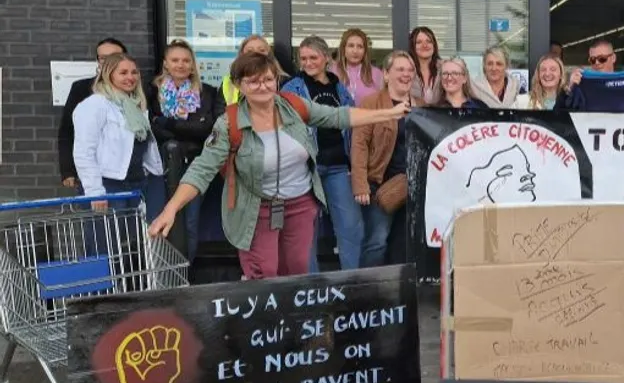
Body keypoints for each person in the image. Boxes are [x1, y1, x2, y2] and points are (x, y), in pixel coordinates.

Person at [147, 53, 409, 279]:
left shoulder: (293, 106)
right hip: (256, 208)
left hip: (300, 204)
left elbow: (338, 116)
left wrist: (389, 113)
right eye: (253, 81)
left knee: (297, 269)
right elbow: (202, 169)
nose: (263, 86)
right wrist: (171, 209)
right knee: (264, 273)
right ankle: (264, 329)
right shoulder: (230, 123)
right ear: (239, 84)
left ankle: (295, 330)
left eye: (268, 79)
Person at [282, 36, 364, 272]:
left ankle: (352, 283)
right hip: (307, 167)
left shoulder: (340, 88)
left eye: (313, 57)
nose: (308, 62)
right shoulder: (292, 89)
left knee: (351, 226)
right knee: (306, 231)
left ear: (326, 58)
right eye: (304, 58)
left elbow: (350, 125)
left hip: (338, 166)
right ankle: (311, 287)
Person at [73, 54, 164, 253]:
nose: (130, 77)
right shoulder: (96, 104)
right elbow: (84, 151)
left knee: (130, 249)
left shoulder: (135, 105)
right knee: (103, 248)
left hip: (136, 184)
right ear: (108, 75)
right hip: (108, 186)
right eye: (123, 73)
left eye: (134, 72)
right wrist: (95, 191)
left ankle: (125, 286)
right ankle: (103, 286)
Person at [148, 39, 225, 259]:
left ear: (192, 65)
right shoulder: (153, 91)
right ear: (166, 63)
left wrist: (168, 123)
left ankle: (185, 273)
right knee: (159, 218)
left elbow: (206, 129)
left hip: (194, 163)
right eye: (175, 60)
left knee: (190, 221)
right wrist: (186, 127)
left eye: (186, 61)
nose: (180, 65)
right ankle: (160, 273)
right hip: (161, 166)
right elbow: (152, 128)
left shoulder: (207, 92)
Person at [351, 51, 424, 267]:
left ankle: (396, 290)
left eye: (410, 70)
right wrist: (360, 185)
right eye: (400, 69)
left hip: (411, 186)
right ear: (386, 74)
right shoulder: (371, 102)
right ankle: (369, 290)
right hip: (378, 184)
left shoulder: (420, 104)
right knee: (377, 241)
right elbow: (359, 144)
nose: (406, 74)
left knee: (403, 242)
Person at [59, 37, 128, 190]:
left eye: (114, 57)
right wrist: (67, 170)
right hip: (94, 169)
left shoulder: (134, 88)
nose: (108, 62)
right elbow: (67, 131)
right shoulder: (82, 88)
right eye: (103, 58)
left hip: (129, 171)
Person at [564, 39, 624, 112]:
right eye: (592, 60)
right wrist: (571, 88)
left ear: (613, 58)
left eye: (602, 58)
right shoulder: (583, 82)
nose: (597, 63)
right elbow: (564, 118)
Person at [219, 35, 277, 105]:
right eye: (250, 51)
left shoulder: (283, 80)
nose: (256, 53)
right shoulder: (229, 81)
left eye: (261, 50)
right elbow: (220, 110)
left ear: (269, 54)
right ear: (241, 54)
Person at [332, 27, 384, 106]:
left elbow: (382, 103)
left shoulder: (376, 73)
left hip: (369, 117)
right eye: (351, 46)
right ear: (343, 48)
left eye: (360, 46)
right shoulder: (332, 72)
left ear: (365, 51)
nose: (355, 51)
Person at [410, 26, 442, 104]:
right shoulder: (406, 70)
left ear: (434, 45)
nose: (425, 45)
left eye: (429, 41)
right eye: (419, 42)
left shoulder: (445, 68)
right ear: (413, 47)